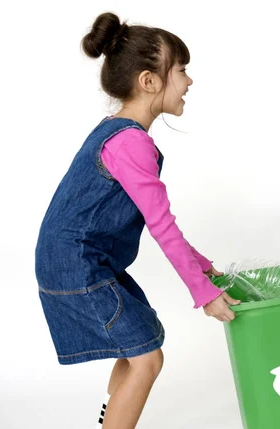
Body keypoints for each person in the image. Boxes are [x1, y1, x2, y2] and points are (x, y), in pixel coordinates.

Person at [35, 12, 239, 429]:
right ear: (149, 81)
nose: (189, 81)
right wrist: (203, 292)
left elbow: (157, 221)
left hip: (87, 261)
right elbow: (162, 226)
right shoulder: (130, 142)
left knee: (142, 343)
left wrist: (200, 264)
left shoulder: (118, 131)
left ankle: (111, 418)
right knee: (147, 357)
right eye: (181, 70)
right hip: (79, 265)